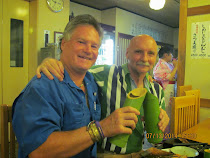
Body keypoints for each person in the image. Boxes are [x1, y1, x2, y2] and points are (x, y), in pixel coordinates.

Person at [12, 14, 141, 158]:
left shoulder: (91, 81)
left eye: (94, 46)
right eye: (81, 42)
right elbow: (39, 151)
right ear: (63, 44)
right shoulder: (43, 86)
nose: (88, 50)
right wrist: (101, 128)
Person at [36, 34, 170, 156]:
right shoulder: (105, 74)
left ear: (155, 58)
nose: (145, 58)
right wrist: (51, 62)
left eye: (151, 53)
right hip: (106, 153)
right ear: (127, 53)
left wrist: (162, 122)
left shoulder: (156, 90)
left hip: (139, 152)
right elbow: (74, 70)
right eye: (138, 52)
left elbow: (153, 134)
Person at [153, 46, 177, 133]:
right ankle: (161, 135)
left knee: (169, 111)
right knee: (165, 111)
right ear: (166, 55)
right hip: (165, 90)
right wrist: (176, 67)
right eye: (171, 54)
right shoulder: (160, 65)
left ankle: (167, 135)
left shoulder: (168, 64)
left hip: (170, 89)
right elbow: (170, 77)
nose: (172, 56)